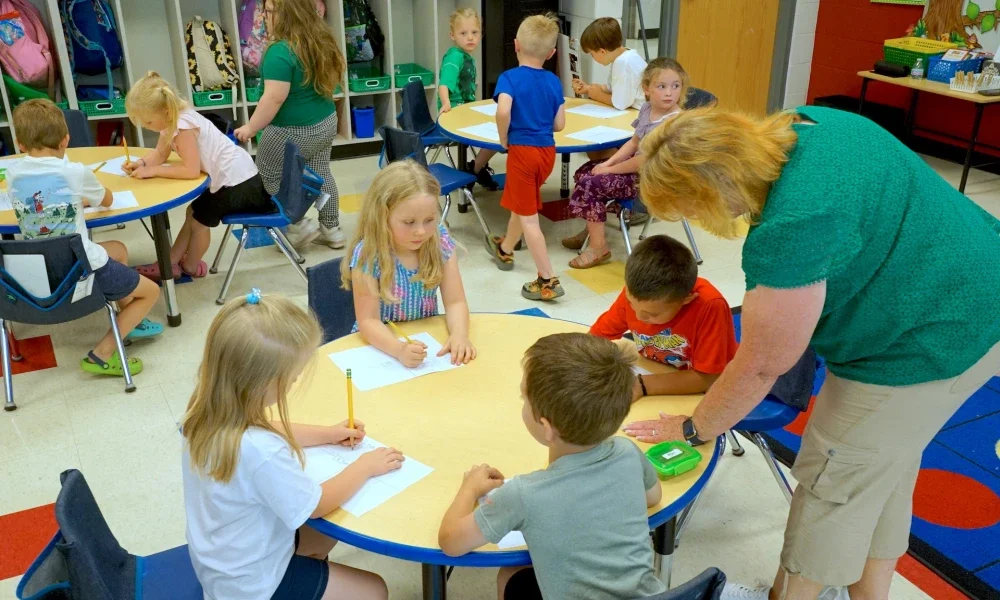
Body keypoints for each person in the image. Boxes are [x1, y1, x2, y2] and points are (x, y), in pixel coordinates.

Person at [626, 105, 1000, 600]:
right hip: (975, 285)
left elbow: (763, 363)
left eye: (689, 208)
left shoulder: (791, 227)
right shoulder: (813, 123)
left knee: (832, 485)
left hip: (926, 340)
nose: (693, 219)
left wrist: (696, 426)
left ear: (714, 189)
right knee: (879, 471)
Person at [181, 289, 399, 600]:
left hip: (223, 561)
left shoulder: (204, 412)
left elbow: (267, 425)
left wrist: (326, 433)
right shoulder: (261, 452)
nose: (295, 383)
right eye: (293, 377)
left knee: (321, 537)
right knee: (374, 590)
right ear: (261, 382)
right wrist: (365, 466)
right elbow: (318, 503)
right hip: (253, 585)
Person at [437, 333, 666, 600]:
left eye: (524, 399)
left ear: (546, 428)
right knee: (519, 574)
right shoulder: (627, 451)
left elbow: (451, 542)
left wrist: (469, 487)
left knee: (510, 575)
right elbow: (653, 497)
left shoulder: (523, 493)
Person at [8, 99, 162, 377]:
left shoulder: (14, 174)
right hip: (80, 270)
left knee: (118, 249)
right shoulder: (74, 172)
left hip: (37, 270)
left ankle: (129, 321)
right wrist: (80, 197)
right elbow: (107, 198)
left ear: (19, 144)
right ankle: (101, 354)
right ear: (66, 140)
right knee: (152, 292)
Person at [125, 72, 273, 281]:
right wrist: (141, 163)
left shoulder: (183, 127)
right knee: (192, 211)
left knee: (198, 223)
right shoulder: (171, 119)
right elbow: (160, 153)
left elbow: (190, 171)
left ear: (166, 112)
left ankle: (190, 266)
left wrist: (153, 170)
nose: (146, 127)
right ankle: (170, 263)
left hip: (239, 183)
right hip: (234, 177)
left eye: (148, 122)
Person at [340, 161, 475, 368]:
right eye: (409, 222)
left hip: (425, 342)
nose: (421, 231)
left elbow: (455, 302)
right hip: (381, 348)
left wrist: (459, 335)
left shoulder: (440, 240)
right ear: (382, 217)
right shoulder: (368, 254)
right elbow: (368, 321)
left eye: (429, 220)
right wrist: (398, 349)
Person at [234, 0, 346, 249]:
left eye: (270, 11)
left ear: (289, 14)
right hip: (325, 122)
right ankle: (332, 229)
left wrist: (251, 128)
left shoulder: (280, 51)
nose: (264, 16)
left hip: (290, 131)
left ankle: (297, 226)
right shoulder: (321, 38)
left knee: (268, 176)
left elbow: (273, 98)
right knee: (321, 173)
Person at [561, 58, 688, 267]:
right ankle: (593, 230)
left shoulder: (672, 122)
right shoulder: (648, 109)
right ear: (646, 89)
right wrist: (607, 163)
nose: (669, 93)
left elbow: (643, 160)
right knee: (585, 171)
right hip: (638, 170)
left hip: (654, 181)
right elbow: (634, 142)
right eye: (662, 86)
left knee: (590, 183)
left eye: (676, 86)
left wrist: (608, 169)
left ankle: (598, 248)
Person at [591, 235, 736, 400]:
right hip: (659, 371)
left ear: (686, 300)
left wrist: (641, 385)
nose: (639, 316)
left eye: (653, 314)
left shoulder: (710, 305)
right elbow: (596, 338)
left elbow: (708, 378)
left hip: (709, 387)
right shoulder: (636, 292)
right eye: (631, 304)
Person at [486, 13, 566, 301]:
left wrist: (504, 137)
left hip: (522, 152)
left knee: (530, 219)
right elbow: (559, 125)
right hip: (547, 153)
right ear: (552, 53)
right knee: (523, 205)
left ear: (516, 45)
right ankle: (506, 248)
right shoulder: (554, 82)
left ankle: (547, 279)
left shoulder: (509, 78)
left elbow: (503, 111)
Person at [438, 7, 499, 191]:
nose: (470, 37)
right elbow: (444, 83)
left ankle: (475, 168)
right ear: (453, 35)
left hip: (465, 110)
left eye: (474, 32)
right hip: (455, 113)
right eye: (463, 33)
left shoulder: (466, 56)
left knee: (500, 125)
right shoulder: (455, 57)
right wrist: (446, 102)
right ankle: (475, 169)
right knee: (499, 132)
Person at [571, 17, 647, 163]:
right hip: (635, 114)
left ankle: (617, 170)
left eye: (592, 54)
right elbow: (613, 88)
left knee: (595, 147)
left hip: (639, 122)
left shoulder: (622, 63)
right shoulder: (625, 55)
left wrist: (597, 95)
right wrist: (588, 89)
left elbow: (620, 103)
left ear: (602, 51)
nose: (593, 58)